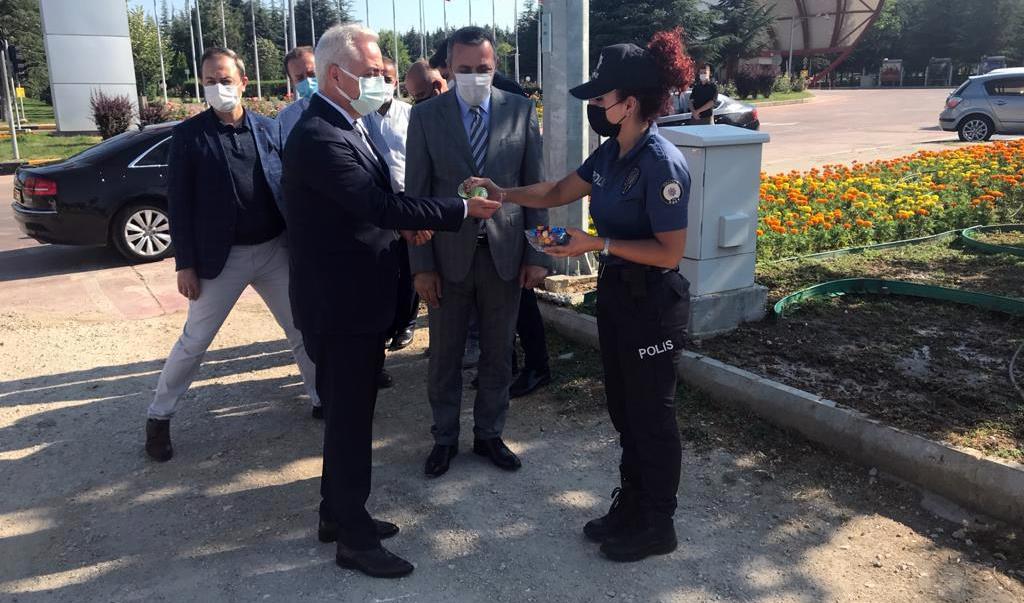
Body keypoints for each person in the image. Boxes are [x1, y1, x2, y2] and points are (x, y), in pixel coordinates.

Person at [464, 29, 693, 563]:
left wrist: (597, 242)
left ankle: (658, 522)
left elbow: (670, 253)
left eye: (600, 98)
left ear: (628, 103)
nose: (593, 105)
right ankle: (632, 504)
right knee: (623, 411)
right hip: (618, 296)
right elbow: (558, 191)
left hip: (654, 305)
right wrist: (503, 194)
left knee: (652, 417)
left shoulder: (662, 163)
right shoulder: (612, 153)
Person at [283, 23, 499, 578]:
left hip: (355, 301)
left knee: (350, 419)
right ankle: (353, 539)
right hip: (341, 307)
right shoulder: (319, 136)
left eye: (383, 70)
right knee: (351, 423)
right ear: (337, 75)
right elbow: (377, 205)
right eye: (373, 71)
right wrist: (456, 211)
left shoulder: (346, 123)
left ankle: (338, 513)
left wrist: (406, 227)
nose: (383, 77)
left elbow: (372, 207)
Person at [144, 47, 319, 462]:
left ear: (244, 82)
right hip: (220, 260)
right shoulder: (190, 136)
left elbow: (287, 185)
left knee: (302, 329)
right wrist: (184, 263)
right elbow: (180, 205)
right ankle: (158, 417)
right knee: (195, 341)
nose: (217, 87)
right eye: (208, 81)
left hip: (274, 250)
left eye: (224, 79)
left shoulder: (267, 128)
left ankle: (321, 397)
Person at [406, 26, 549, 478]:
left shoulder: (521, 111)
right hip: (447, 259)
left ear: (495, 67)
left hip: (505, 257)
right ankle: (444, 438)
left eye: (482, 69)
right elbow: (416, 198)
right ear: (448, 67)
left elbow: (534, 190)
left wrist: (537, 254)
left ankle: (489, 433)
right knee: (445, 355)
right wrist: (421, 267)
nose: (474, 76)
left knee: (498, 351)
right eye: (464, 69)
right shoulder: (426, 117)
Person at [362, 57, 418, 353]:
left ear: (396, 82)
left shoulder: (410, 115)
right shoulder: (359, 117)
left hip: (408, 199)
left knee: (410, 265)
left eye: (388, 77)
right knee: (382, 264)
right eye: (376, 77)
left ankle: (406, 323)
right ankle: (384, 323)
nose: (381, 83)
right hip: (375, 202)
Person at [277, 45, 317, 141]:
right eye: (300, 78)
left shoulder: (351, 109)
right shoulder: (285, 120)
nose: (308, 81)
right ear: (292, 82)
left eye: (312, 74)